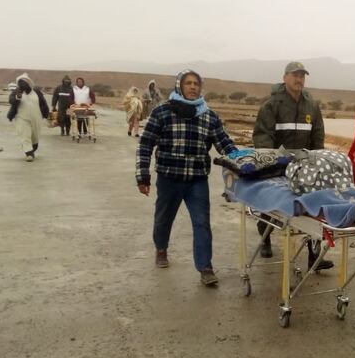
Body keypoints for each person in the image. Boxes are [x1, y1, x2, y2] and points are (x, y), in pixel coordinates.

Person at [136, 69, 238, 286]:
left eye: (196, 83)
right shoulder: (162, 112)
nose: (192, 87)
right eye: (188, 83)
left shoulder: (208, 116)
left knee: (202, 223)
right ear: (179, 86)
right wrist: (142, 176)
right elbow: (145, 144)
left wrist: (245, 162)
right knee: (163, 219)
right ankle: (161, 248)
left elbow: (225, 145)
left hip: (197, 180)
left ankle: (205, 267)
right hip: (168, 179)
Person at [252, 61, 333, 270]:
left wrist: (316, 160)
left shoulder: (311, 104)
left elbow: (318, 134)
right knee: (272, 206)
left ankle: (314, 257)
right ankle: (265, 237)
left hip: (304, 165)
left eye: (302, 76)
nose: (299, 79)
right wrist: (271, 163)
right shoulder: (272, 105)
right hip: (279, 165)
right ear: (285, 77)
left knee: (312, 207)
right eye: (295, 75)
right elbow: (263, 136)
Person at [6, 73, 49, 162]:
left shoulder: (36, 92)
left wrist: (47, 114)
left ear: (28, 83)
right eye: (19, 83)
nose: (21, 84)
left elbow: (43, 103)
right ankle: (29, 153)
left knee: (35, 137)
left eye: (23, 82)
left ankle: (32, 148)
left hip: (36, 118)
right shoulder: (16, 92)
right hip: (21, 118)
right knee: (25, 135)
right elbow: (11, 101)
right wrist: (18, 97)